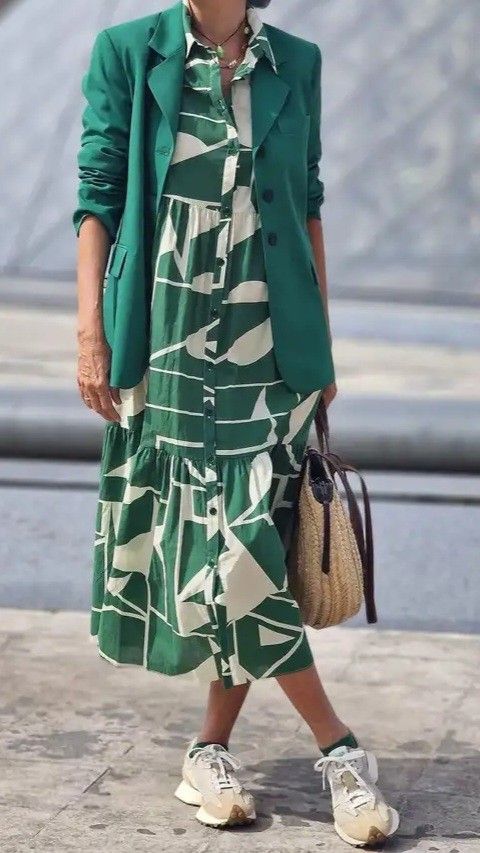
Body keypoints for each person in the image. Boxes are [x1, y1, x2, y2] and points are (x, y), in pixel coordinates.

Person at [73, 0, 399, 845]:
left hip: (271, 345)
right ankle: (338, 749)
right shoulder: (128, 52)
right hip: (167, 336)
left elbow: (308, 204)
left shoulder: (297, 62)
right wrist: (90, 333)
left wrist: (320, 347)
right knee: (229, 548)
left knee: (245, 543)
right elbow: (97, 196)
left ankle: (210, 748)